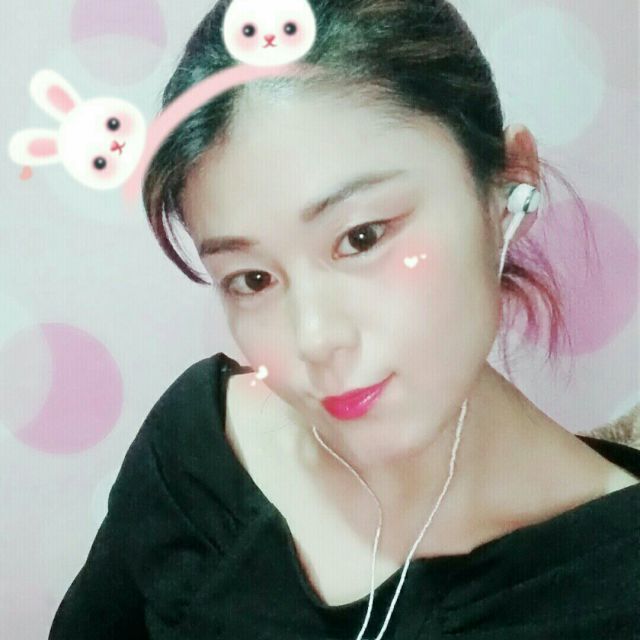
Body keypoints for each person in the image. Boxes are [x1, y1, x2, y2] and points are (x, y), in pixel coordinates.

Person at [49, 0, 640, 638]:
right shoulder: (199, 460)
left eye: (362, 237)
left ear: (506, 187)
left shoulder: (615, 582)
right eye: (253, 280)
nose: (314, 339)